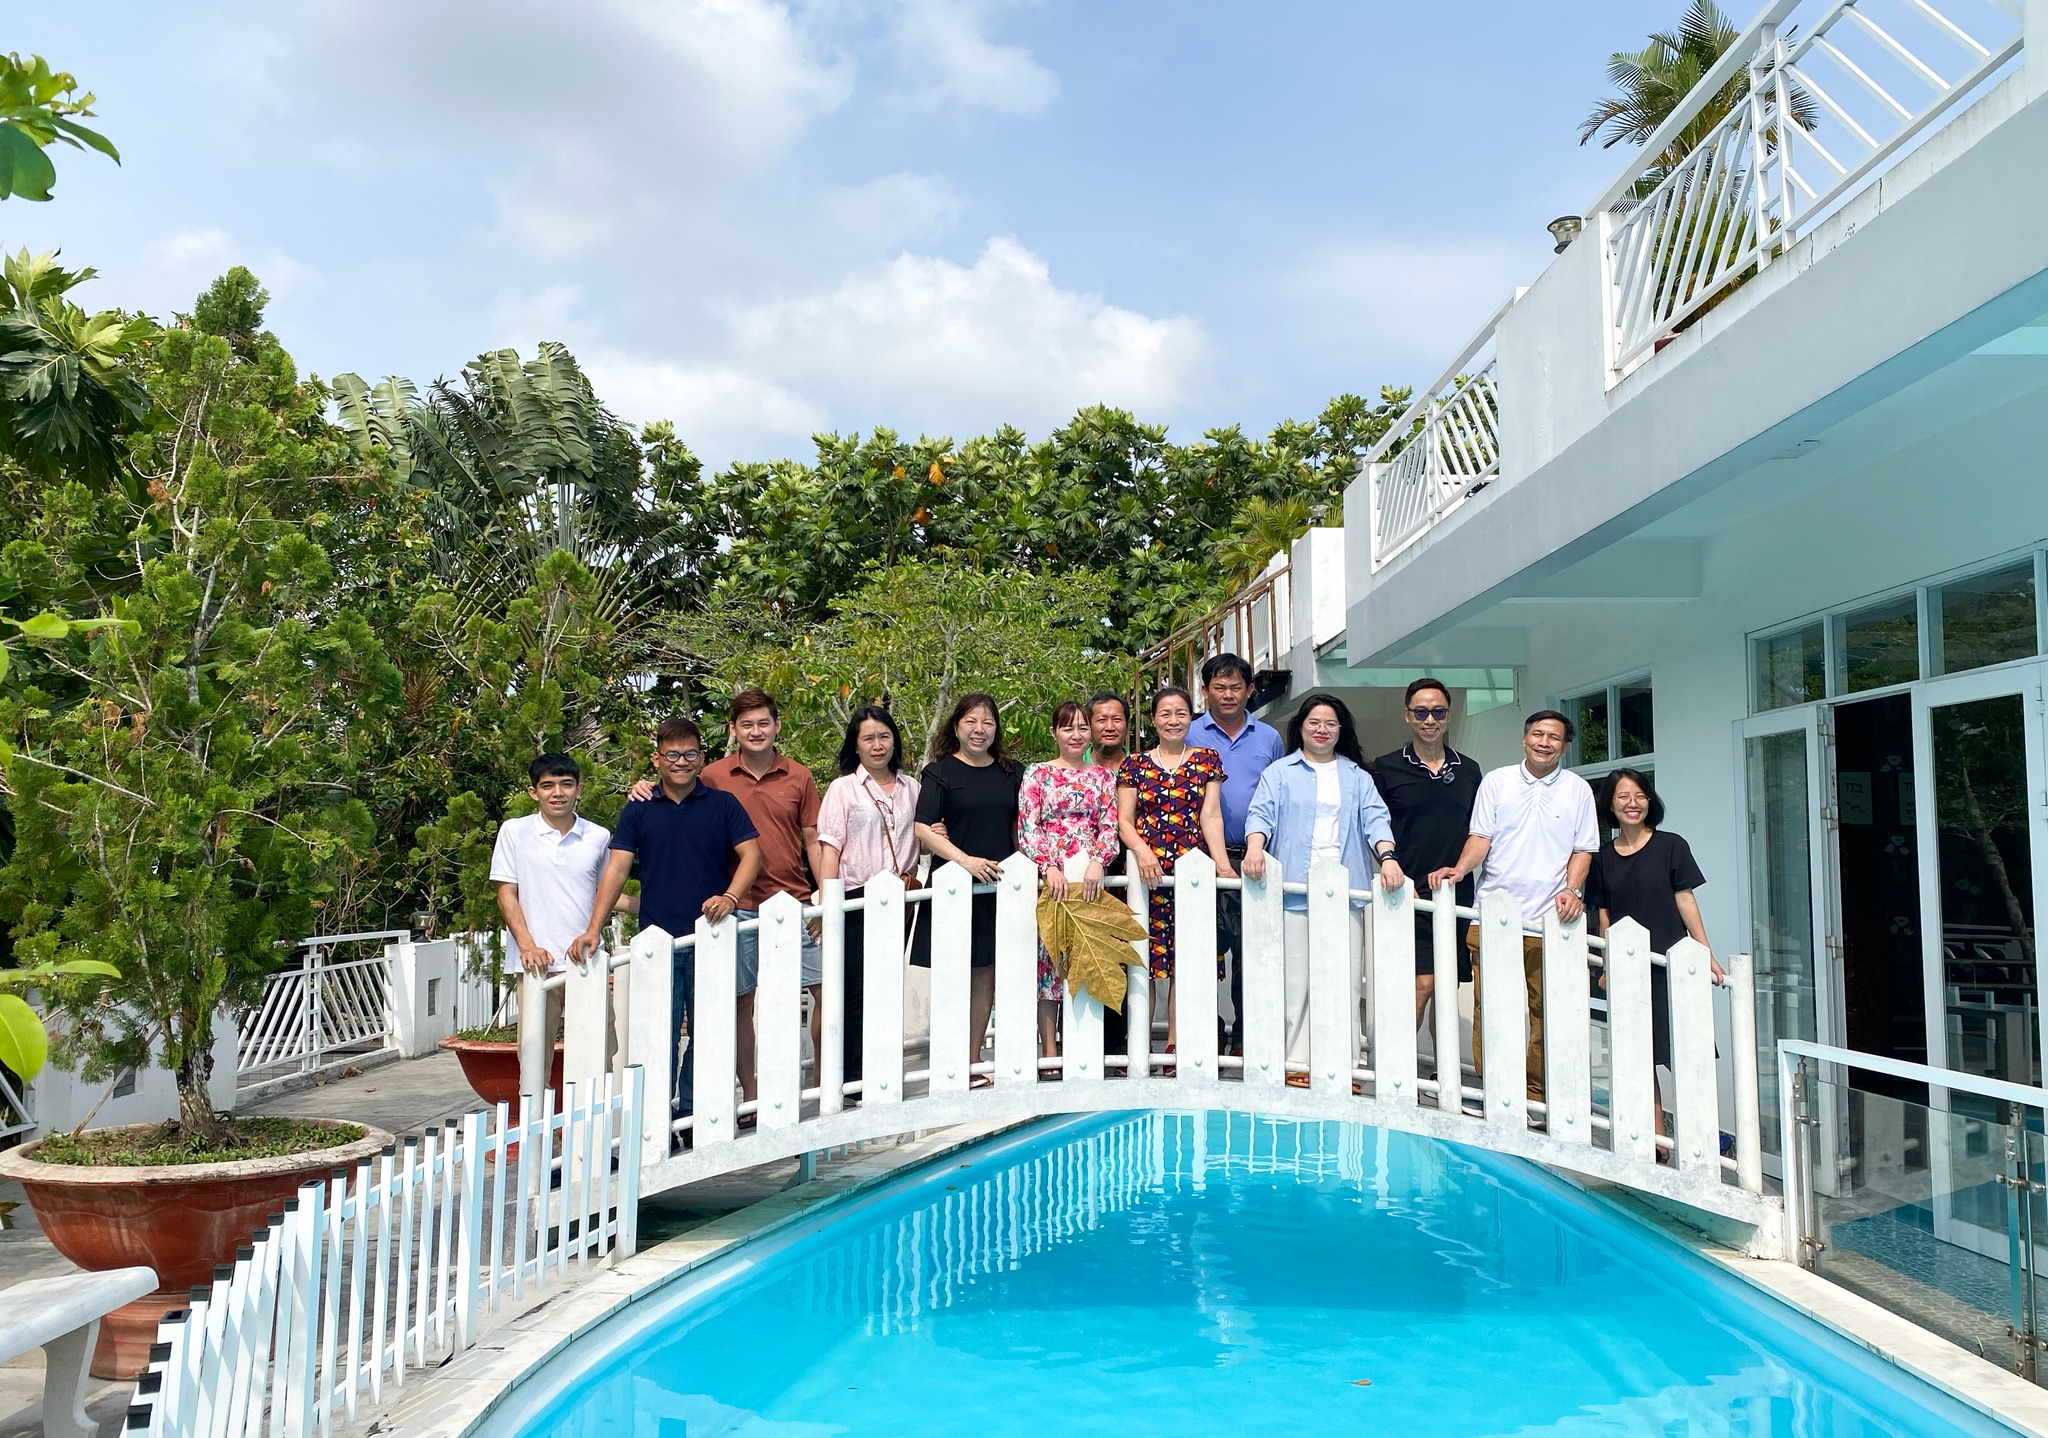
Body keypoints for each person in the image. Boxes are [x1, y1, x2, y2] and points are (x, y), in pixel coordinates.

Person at [574, 717, 760, 1129]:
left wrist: (730, 897)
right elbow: (617, 869)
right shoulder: (638, 809)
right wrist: (593, 928)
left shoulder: (723, 805)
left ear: (701, 758)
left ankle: (691, 1116)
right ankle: (657, 1122)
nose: (681, 762)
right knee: (661, 1035)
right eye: (672, 755)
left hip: (710, 938)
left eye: (690, 754)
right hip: (656, 943)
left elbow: (752, 855)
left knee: (708, 1033)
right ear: (657, 759)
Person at [1428, 710, 1598, 1106]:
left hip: (1551, 921)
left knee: (1546, 1012)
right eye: (1537, 734)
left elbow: (1584, 849)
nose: (1544, 742)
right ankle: (1496, 1090)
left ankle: (1536, 1097)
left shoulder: (1578, 790)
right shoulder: (1497, 781)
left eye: (1553, 737)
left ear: (1564, 747)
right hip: (1494, 915)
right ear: (1524, 739)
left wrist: (1573, 889)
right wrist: (1460, 868)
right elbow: (1480, 838)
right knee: (1492, 1008)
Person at [1241, 694, 1404, 1081]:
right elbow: (1260, 814)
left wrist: (1388, 857)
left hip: (1345, 892)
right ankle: (1297, 1065)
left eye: (1330, 724)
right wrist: (1255, 848)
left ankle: (1344, 1067)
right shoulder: (1280, 773)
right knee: (1295, 983)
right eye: (1314, 722)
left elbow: (1376, 820)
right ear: (1300, 727)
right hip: (1294, 891)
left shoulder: (1357, 777)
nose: (1322, 730)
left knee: (1344, 982)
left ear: (1340, 730)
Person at [1588, 768, 1724, 1142]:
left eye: (1640, 796)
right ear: (1610, 805)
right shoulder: (1602, 858)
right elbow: (1604, 916)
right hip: (1628, 968)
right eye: (1623, 797)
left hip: (1672, 966)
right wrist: (1606, 965)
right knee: (1639, 1055)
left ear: (1650, 801)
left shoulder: (1671, 846)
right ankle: (1656, 1139)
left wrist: (1705, 952)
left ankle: (1699, 1139)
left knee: (1686, 1052)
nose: (1632, 803)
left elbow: (1686, 900)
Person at [490, 753, 638, 1075]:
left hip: (587, 961)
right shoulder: (514, 832)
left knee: (600, 1054)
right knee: (534, 1060)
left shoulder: (598, 836)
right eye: (548, 786)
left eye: (566, 784)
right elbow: (506, 894)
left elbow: (605, 894)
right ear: (534, 792)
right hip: (536, 965)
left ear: (579, 788)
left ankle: (593, 1110)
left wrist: (654, 906)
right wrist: (528, 947)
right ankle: (536, 1111)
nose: (558, 793)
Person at [914, 693, 1024, 1085]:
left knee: (986, 974)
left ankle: (972, 1058)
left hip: (1000, 887)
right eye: (971, 722)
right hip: (953, 886)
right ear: (956, 727)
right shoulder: (939, 772)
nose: (980, 730)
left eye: (988, 722)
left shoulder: (1012, 772)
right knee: (952, 975)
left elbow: (1022, 825)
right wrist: (965, 861)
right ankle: (949, 1060)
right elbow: (923, 828)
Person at [1117, 686, 1234, 1058]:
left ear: (1191, 718)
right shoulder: (1134, 764)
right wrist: (1142, 851)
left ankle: (1175, 1043)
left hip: (1192, 872)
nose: (1173, 720)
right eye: (1165, 713)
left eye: (1181, 713)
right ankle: (1138, 1045)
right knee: (1144, 959)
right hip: (1146, 875)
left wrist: (1223, 864)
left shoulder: (1206, 759)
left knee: (1187, 958)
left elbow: (1210, 816)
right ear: (1154, 720)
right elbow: (1124, 820)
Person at [815, 706, 920, 1103]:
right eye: (868, 738)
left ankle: (883, 1069)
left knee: (887, 986)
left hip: (899, 898)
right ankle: (853, 1077)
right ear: (855, 745)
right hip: (856, 897)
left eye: (884, 736)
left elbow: (922, 839)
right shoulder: (843, 789)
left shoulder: (912, 788)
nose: (877, 745)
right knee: (854, 989)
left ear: (894, 740)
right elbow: (830, 849)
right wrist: (829, 905)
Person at [1366, 679, 1481, 1039]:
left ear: (1448, 716)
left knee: (1446, 987)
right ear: (1408, 716)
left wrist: (1461, 870)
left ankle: (1441, 1066)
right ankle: (1397, 1064)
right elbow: (1373, 826)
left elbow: (1480, 830)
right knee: (1422, 983)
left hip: (1455, 893)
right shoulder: (1385, 768)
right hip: (1407, 893)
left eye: (1438, 712)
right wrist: (1392, 869)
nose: (1429, 719)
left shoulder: (1469, 770)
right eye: (1421, 712)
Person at [1189, 654, 1285, 1056]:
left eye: (1235, 687)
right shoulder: (1189, 733)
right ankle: (1206, 1034)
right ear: (1205, 691)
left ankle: (1247, 1036)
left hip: (1255, 859)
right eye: (1219, 687)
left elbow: (1278, 795)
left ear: (1250, 690)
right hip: (1200, 860)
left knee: (1253, 954)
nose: (1228, 695)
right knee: (1202, 952)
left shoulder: (1269, 738)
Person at [1017, 701, 1121, 1059]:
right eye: (1067, 728)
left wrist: (1098, 861)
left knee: (1088, 955)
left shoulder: (1103, 777)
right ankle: (1049, 1049)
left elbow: (1109, 826)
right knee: (1047, 960)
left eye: (1082, 727)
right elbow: (1028, 826)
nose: (1076, 735)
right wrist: (1048, 866)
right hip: (1051, 879)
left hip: (1089, 878)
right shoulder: (1037, 774)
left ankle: (1083, 1045)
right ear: (1054, 733)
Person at [1084, 691, 1133, 1055]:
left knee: (1121, 956)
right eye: (1101, 719)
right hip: (1082, 871)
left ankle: (1116, 1046)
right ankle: (1082, 1042)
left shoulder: (1139, 766)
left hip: (1129, 870)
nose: (1110, 726)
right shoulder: (1074, 763)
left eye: (1117, 719)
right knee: (1084, 953)